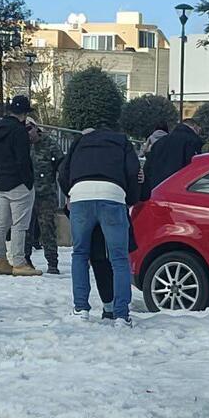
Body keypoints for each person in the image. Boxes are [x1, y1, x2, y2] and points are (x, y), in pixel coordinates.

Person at [59, 102, 141, 325]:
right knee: (119, 258)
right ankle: (121, 314)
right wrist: (130, 198)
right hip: (112, 195)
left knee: (80, 254)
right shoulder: (122, 141)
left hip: (81, 195)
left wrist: (70, 192)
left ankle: (81, 309)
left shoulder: (80, 141)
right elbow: (133, 171)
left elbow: (63, 171)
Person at [0, 96, 38, 276]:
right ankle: (19, 261)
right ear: (24, 114)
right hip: (19, 182)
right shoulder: (19, 131)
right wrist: (28, 180)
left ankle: (0, 260)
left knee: (1, 223)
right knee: (19, 224)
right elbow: (22, 160)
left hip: (2, 181)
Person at [139, 112, 204, 200]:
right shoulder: (192, 141)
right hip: (179, 190)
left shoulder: (160, 142)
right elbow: (194, 167)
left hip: (157, 188)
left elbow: (148, 168)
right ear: (195, 127)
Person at [26, 120, 61, 274]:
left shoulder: (50, 144)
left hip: (46, 194)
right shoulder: (22, 144)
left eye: (29, 128)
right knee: (25, 228)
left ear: (35, 128)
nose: (27, 132)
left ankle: (52, 263)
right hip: (26, 193)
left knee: (47, 229)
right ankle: (25, 259)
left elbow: (61, 165)